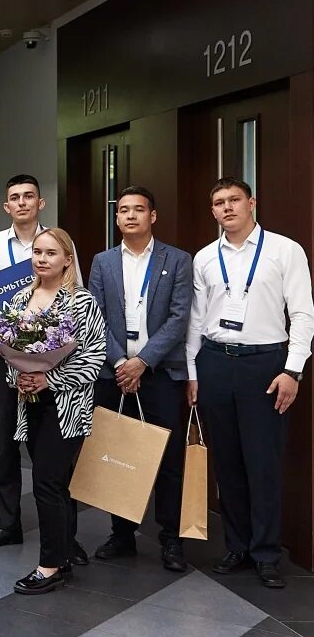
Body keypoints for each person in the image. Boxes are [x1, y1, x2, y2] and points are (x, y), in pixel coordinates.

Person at [187, 177, 314, 589]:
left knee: (262, 463)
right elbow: (195, 320)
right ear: (213, 211)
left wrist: (292, 370)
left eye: (234, 200)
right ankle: (237, 546)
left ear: (251, 203)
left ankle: (266, 554)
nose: (227, 208)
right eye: (219, 202)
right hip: (215, 363)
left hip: (266, 366)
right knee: (227, 462)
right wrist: (192, 372)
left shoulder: (284, 250)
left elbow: (303, 314)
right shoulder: (205, 257)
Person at [0, 174, 82, 554]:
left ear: (41, 203)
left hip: (56, 366)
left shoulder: (58, 241)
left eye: (28, 196)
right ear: (6, 206)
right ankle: (8, 524)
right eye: (14, 198)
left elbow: (74, 303)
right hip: (5, 360)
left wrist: (50, 367)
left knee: (51, 453)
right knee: (6, 444)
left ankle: (66, 534)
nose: (21, 202)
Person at [88, 186, 192, 573]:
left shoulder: (178, 260)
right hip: (113, 371)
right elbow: (93, 316)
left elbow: (179, 318)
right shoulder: (103, 262)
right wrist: (120, 362)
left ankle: (171, 539)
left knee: (167, 459)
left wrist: (142, 362)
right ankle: (122, 534)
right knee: (119, 454)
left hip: (160, 372)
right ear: (117, 219)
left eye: (139, 209)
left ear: (153, 216)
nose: (130, 216)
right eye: (123, 210)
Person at [5, 228, 104, 594]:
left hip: (66, 406)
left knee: (46, 482)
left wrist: (50, 379)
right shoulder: (20, 298)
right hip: (28, 404)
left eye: (50, 252)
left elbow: (94, 356)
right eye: (37, 251)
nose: (42, 258)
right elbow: (8, 349)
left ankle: (48, 566)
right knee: (56, 485)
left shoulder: (81, 302)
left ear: (67, 259)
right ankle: (62, 556)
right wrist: (20, 377)